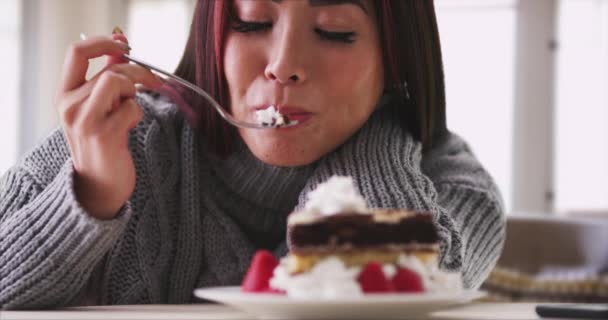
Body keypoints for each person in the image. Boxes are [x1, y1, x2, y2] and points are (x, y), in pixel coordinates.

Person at [0, 0, 505, 309]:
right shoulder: (122, 138)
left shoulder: (452, 185)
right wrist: (91, 193)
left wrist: (379, 136)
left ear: (398, 56)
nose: (284, 65)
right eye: (250, 22)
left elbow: (408, 287)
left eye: (334, 31)